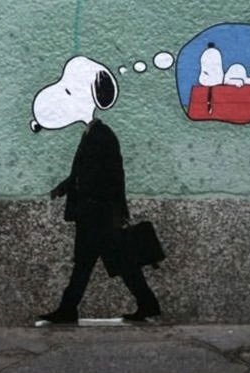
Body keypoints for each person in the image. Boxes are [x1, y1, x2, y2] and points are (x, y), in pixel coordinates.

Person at [36, 118, 161, 324]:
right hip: (96, 214)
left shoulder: (101, 135)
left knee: (89, 264)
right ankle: (147, 304)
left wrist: (110, 207)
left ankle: (68, 310)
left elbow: (112, 174)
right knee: (114, 264)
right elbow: (82, 172)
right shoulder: (92, 134)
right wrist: (63, 188)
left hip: (97, 216)